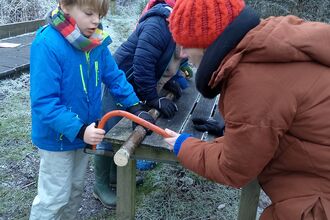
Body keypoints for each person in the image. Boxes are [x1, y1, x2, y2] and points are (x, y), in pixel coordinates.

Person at [164, 0, 330, 219]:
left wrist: (184, 146)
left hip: (318, 200)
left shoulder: (251, 78)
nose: (183, 52)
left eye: (185, 43)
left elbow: (234, 168)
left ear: (206, 42)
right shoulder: (271, 39)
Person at [29, 0, 154, 218]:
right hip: (57, 138)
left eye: (100, 15)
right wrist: (79, 129)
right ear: (65, 6)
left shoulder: (95, 42)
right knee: (54, 197)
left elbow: (114, 77)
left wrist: (135, 106)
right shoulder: (47, 44)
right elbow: (44, 102)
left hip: (84, 133)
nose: (96, 20)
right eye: (89, 13)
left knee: (75, 190)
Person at [92, 0, 191, 207]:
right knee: (109, 131)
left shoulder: (183, 29)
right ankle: (100, 186)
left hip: (136, 86)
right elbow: (142, 64)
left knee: (124, 131)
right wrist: (154, 99)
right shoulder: (158, 25)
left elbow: (164, 61)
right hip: (120, 81)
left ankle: (114, 177)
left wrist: (171, 82)